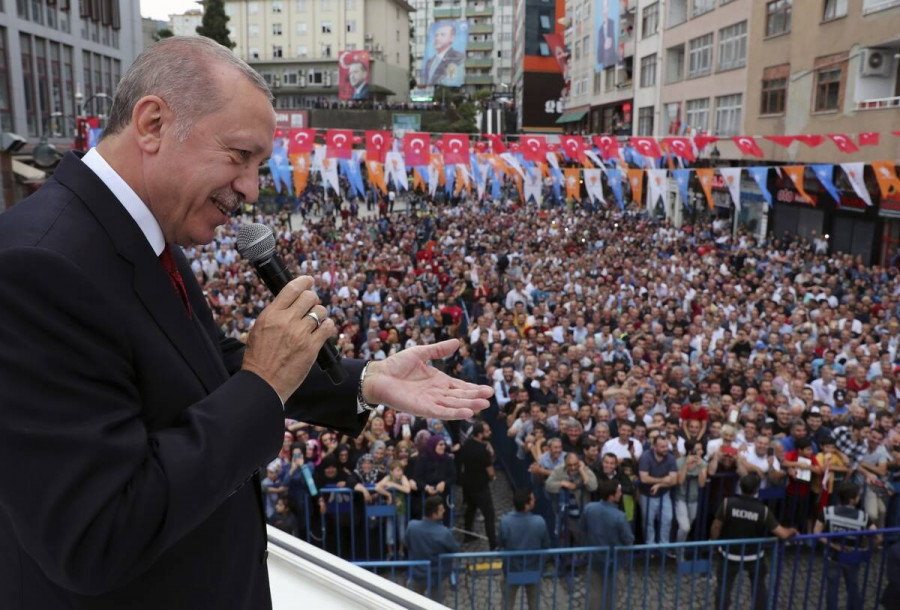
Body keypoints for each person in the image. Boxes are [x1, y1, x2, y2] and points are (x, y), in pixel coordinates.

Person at [0, 36, 491, 609]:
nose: (252, 190)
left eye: (259, 166)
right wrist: (262, 385)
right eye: (239, 156)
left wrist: (363, 381)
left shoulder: (138, 231)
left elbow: (205, 367)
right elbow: (95, 533)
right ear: (153, 124)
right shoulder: (38, 265)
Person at [710, 474, 798, 610]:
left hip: (729, 554)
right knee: (759, 588)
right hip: (754, 556)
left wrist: (714, 542)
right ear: (757, 489)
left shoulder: (728, 503)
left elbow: (716, 526)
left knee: (724, 587)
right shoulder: (763, 510)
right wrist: (793, 530)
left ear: (740, 487)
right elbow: (782, 533)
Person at [814, 482, 875, 610]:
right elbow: (877, 534)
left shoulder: (827, 511)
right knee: (853, 586)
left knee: (832, 588)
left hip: (832, 555)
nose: (859, 498)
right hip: (852, 556)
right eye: (858, 496)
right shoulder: (863, 517)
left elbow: (816, 533)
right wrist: (867, 549)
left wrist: (833, 545)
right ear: (852, 500)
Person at [579, 478, 635, 610]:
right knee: (610, 594)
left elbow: (582, 527)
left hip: (595, 559)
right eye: (618, 492)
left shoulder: (589, 508)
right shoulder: (620, 516)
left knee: (596, 592)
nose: (620, 494)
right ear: (611, 496)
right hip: (613, 562)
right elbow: (629, 540)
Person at [498, 489, 551, 610]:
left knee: (507, 603)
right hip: (533, 568)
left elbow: (500, 542)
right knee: (534, 603)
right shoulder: (539, 522)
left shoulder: (505, 521)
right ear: (527, 505)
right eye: (532, 499)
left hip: (512, 569)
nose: (534, 500)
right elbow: (546, 545)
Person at [405, 495, 460, 600]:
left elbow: (407, 543)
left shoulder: (412, 526)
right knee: (435, 603)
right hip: (436, 575)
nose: (444, 511)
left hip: (417, 573)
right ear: (434, 514)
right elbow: (454, 548)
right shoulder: (443, 533)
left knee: (414, 601)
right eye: (441, 510)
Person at [457, 419, 498, 549]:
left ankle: (467, 534)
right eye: (487, 431)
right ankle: (493, 543)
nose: (490, 433)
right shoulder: (482, 450)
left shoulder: (467, 444)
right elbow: (490, 471)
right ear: (480, 434)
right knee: (489, 515)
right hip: (481, 487)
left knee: (471, 509)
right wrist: (493, 476)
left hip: (468, 484)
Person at [638, 435, 678, 547]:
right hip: (646, 495)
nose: (665, 449)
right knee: (648, 522)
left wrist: (659, 485)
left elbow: (674, 480)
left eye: (666, 446)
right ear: (654, 447)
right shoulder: (645, 456)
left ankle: (664, 546)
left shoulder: (670, 457)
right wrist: (663, 480)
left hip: (664, 494)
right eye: (662, 447)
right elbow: (644, 478)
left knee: (667, 519)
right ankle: (649, 546)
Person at [421, 22, 465, 86]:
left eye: (442, 35)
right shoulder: (429, 61)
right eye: (436, 35)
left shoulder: (459, 58)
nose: (437, 38)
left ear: (451, 38)